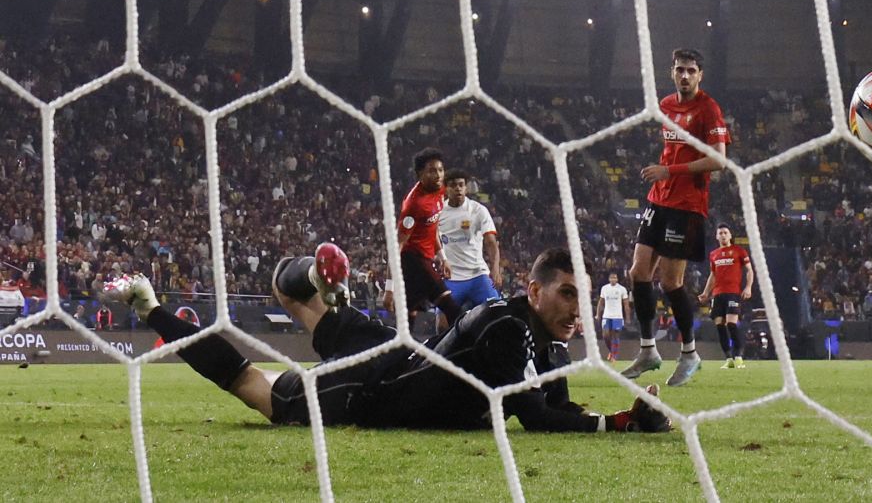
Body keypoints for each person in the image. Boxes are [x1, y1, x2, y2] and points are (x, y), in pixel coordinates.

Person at [101, 244, 670, 434]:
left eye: (581, 295)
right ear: (535, 290)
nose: (578, 309)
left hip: (398, 354)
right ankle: (150, 305)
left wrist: (608, 417)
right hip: (366, 389)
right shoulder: (507, 332)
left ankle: (324, 284)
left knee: (290, 296)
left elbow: (557, 405)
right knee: (250, 382)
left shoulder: (539, 331)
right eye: (568, 294)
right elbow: (540, 419)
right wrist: (620, 422)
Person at [622, 48, 730, 386]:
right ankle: (648, 349)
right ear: (672, 72)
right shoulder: (666, 104)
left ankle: (689, 354)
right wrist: (665, 171)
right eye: (680, 70)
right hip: (659, 201)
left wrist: (670, 170)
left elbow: (718, 159)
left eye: (691, 71)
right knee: (638, 272)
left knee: (670, 282)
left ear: (700, 75)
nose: (685, 76)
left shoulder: (708, 109)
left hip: (687, 206)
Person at [382, 148, 462, 326]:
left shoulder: (440, 190)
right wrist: (389, 288)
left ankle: (404, 352)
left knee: (408, 319)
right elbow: (397, 246)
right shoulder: (414, 205)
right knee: (452, 309)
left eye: (440, 170)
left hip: (425, 258)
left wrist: (443, 258)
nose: (438, 175)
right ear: (420, 174)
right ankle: (456, 351)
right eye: (432, 171)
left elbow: (431, 227)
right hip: (413, 261)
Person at [438, 168, 501, 313]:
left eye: (461, 185)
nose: (458, 188)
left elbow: (491, 242)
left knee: (497, 314)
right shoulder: (438, 212)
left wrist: (495, 268)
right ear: (446, 188)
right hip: (451, 278)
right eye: (453, 185)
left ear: (466, 188)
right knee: (442, 324)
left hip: (477, 275)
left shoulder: (478, 210)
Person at [698, 223, 753, 369]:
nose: (723, 235)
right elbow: (713, 275)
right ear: (716, 236)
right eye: (720, 233)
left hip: (733, 293)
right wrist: (705, 292)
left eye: (725, 233)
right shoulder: (713, 254)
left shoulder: (739, 251)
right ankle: (728, 359)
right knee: (719, 326)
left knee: (731, 324)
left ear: (730, 235)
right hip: (717, 294)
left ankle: (739, 357)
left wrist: (748, 287)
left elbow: (749, 270)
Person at [595, 273, 630, 361]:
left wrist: (628, 317)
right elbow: (601, 302)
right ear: (609, 279)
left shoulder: (622, 289)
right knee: (605, 335)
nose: (613, 279)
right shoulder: (605, 288)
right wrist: (598, 314)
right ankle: (611, 351)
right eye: (611, 278)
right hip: (606, 315)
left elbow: (626, 304)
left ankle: (614, 356)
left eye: (615, 277)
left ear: (617, 279)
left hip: (617, 316)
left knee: (615, 335)